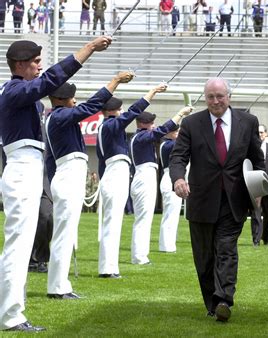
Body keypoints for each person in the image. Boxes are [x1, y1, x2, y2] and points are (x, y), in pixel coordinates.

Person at [0, 35, 112, 332]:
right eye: (35, 62)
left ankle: (13, 308)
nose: (39, 66)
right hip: (22, 167)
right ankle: (11, 315)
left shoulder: (22, 95)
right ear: (21, 65)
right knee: (18, 245)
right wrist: (87, 49)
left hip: (29, 167)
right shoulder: (15, 90)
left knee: (20, 244)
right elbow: (50, 80)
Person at [169, 77, 265, 322]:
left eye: (220, 96)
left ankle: (224, 300)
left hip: (234, 200)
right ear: (206, 98)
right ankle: (212, 302)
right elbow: (178, 156)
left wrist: (260, 189)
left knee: (226, 250)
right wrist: (179, 178)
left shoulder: (248, 122)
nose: (215, 101)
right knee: (204, 258)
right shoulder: (192, 123)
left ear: (229, 97)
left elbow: (257, 160)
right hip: (200, 199)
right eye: (210, 97)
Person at [45, 72, 133, 299]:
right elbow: (90, 107)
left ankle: (60, 285)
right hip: (68, 175)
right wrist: (113, 81)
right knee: (64, 234)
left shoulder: (59, 117)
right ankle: (57, 287)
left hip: (66, 174)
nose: (75, 101)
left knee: (66, 232)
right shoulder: (60, 115)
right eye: (72, 97)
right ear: (63, 99)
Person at [96, 84, 169, 278]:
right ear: (112, 111)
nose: (122, 112)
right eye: (119, 109)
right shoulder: (111, 125)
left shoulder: (108, 126)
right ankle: (108, 268)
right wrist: (150, 94)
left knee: (113, 222)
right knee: (112, 223)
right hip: (114, 173)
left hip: (114, 173)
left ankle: (109, 266)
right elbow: (133, 112)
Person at [129, 106, 192, 264]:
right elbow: (162, 130)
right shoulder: (142, 136)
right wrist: (180, 114)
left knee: (145, 218)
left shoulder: (141, 136)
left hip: (146, 176)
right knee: (143, 219)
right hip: (144, 176)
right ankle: (139, 256)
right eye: (151, 123)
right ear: (143, 124)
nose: (153, 125)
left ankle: (141, 255)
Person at [250, 124, 268, 246]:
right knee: (255, 212)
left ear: (266, 134)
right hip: (255, 187)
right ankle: (256, 239)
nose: (260, 135)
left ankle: (265, 237)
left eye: (262, 132)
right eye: (257, 133)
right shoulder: (250, 149)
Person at [159, 128, 183, 253]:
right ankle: (166, 245)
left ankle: (169, 244)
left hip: (170, 177)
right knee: (170, 214)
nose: (178, 134)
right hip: (169, 178)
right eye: (176, 132)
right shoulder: (168, 144)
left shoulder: (169, 143)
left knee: (173, 214)